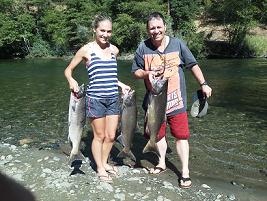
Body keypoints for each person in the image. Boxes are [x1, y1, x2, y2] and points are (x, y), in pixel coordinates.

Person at [131, 12, 212, 188]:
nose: (156, 31)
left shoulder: (178, 44)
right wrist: (146, 73)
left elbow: (193, 65)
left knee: (182, 137)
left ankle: (185, 172)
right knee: (157, 134)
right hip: (154, 102)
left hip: (177, 102)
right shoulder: (142, 48)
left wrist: (204, 83)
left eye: (159, 27)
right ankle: (161, 162)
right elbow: (135, 71)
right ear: (147, 30)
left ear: (165, 27)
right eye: (152, 28)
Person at [64, 14, 130, 183]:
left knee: (110, 136)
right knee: (99, 136)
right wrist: (72, 80)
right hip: (95, 100)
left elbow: (108, 75)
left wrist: (120, 84)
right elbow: (68, 70)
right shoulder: (86, 50)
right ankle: (100, 167)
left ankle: (104, 162)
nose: (105, 34)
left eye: (109, 31)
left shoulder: (114, 50)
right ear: (94, 29)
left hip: (114, 99)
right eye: (102, 30)